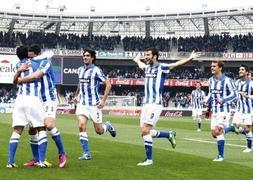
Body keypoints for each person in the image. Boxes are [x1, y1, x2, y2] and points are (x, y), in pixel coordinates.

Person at [133, 48, 200, 166]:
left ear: (155, 56)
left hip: (155, 104)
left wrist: (190, 58)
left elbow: (176, 64)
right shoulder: (147, 68)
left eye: (148, 55)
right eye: (145, 55)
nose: (146, 57)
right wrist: (137, 60)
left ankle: (149, 160)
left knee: (145, 130)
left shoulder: (162, 67)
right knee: (145, 132)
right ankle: (169, 134)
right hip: (146, 104)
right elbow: (140, 64)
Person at [17, 45, 67, 168]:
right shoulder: (31, 63)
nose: (29, 60)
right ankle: (36, 158)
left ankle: (62, 153)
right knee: (32, 129)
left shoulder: (45, 62)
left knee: (49, 125)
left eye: (31, 56)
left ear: (37, 54)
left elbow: (36, 75)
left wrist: (19, 80)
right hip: (36, 99)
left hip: (48, 99)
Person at [7, 46, 48, 168]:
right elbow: (38, 75)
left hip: (19, 100)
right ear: (28, 53)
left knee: (17, 130)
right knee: (41, 128)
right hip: (33, 99)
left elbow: (15, 81)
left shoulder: (18, 65)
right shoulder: (36, 63)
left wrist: (19, 71)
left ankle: (10, 162)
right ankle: (41, 161)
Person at [72, 48, 116, 160]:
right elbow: (79, 84)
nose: (85, 57)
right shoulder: (80, 70)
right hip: (82, 104)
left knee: (99, 131)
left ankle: (108, 126)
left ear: (92, 58)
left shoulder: (96, 70)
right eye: (84, 55)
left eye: (87, 56)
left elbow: (108, 84)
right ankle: (87, 153)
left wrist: (103, 100)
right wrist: (76, 96)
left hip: (94, 105)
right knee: (81, 126)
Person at [205, 59, 237, 162]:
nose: (212, 68)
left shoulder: (227, 80)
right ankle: (231, 128)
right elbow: (211, 93)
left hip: (224, 110)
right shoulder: (210, 80)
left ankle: (220, 156)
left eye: (214, 66)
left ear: (220, 68)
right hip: (214, 111)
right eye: (211, 66)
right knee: (214, 134)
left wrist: (224, 99)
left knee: (218, 131)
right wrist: (206, 100)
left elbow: (234, 94)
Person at [225, 65, 253, 152]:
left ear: (247, 72)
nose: (240, 71)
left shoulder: (251, 83)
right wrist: (229, 100)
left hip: (248, 110)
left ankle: (249, 147)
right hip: (239, 109)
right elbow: (234, 94)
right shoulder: (237, 82)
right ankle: (229, 129)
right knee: (236, 126)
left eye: (242, 70)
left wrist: (248, 96)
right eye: (239, 70)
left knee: (247, 129)